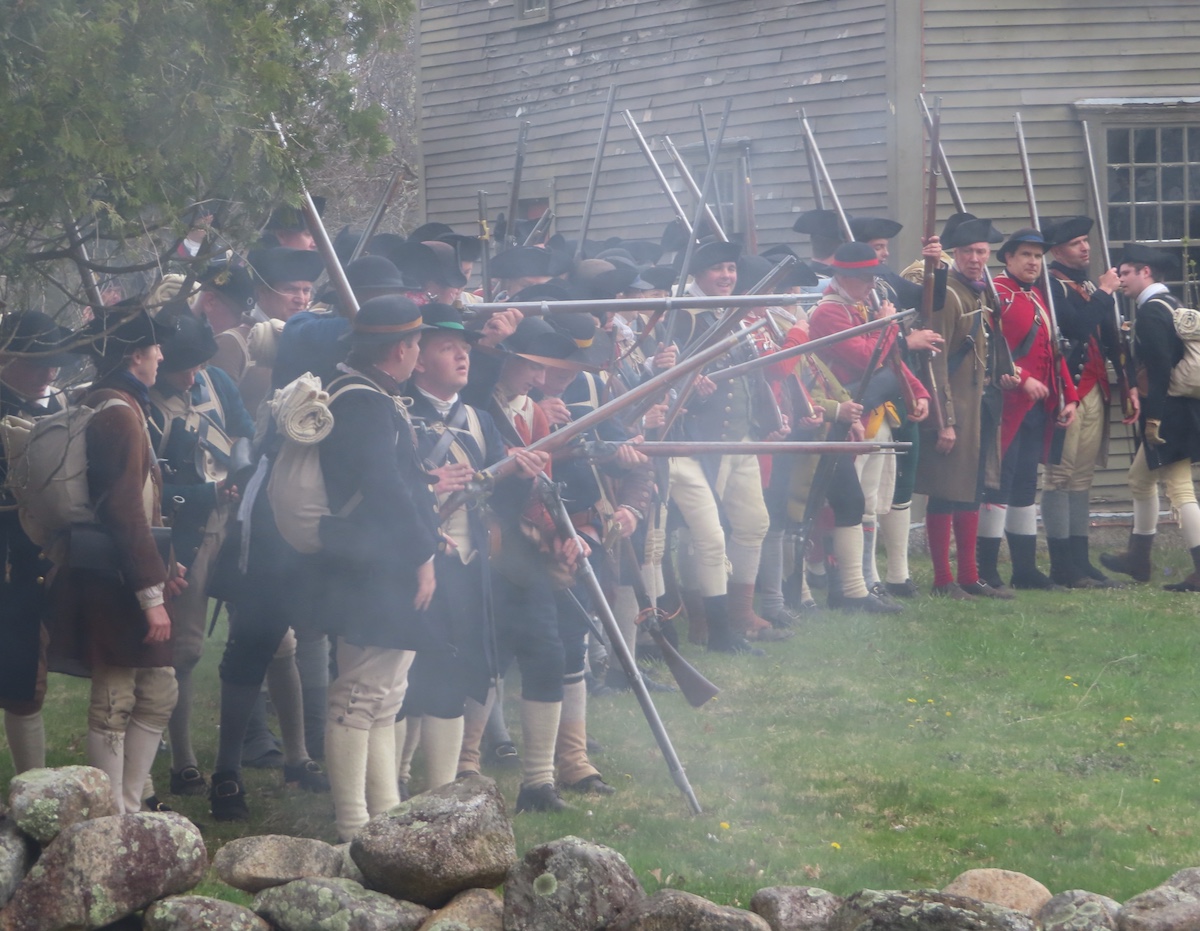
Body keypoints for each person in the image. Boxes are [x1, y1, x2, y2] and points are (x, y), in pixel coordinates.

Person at [315, 296, 443, 841]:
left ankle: (384, 816)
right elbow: (385, 487)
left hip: (376, 557)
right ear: (399, 348)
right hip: (372, 562)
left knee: (387, 693)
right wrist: (422, 555)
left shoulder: (366, 397)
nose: (419, 354)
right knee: (361, 693)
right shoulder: (364, 404)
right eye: (417, 344)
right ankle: (353, 823)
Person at [47, 302, 182, 814]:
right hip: (112, 576)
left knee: (157, 691)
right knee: (114, 699)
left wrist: (165, 568)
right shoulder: (119, 413)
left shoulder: (118, 403)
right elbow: (124, 507)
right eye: (154, 348)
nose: (161, 355)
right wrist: (151, 593)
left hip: (126, 569)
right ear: (134, 354)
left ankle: (128, 803)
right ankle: (112, 814)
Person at [147, 309, 257, 797]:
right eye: (184, 368)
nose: (194, 378)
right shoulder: (143, 405)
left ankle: (295, 755)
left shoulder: (213, 378)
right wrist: (206, 496)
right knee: (186, 649)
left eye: (198, 366)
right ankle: (184, 761)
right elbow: (147, 486)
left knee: (271, 636)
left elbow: (243, 429)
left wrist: (240, 472)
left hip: (232, 523)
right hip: (184, 530)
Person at [659, 240, 778, 652]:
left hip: (740, 437)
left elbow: (750, 375)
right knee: (701, 535)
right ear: (698, 274)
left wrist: (768, 420)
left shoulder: (732, 311)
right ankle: (701, 622)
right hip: (700, 440)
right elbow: (662, 380)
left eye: (731, 268)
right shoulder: (684, 316)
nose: (727, 276)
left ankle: (739, 613)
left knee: (753, 524)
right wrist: (694, 389)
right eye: (718, 270)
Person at [807, 241, 930, 611]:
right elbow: (866, 358)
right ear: (844, 277)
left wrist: (918, 392)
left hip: (874, 412)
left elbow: (889, 361)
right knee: (849, 504)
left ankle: (866, 582)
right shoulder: (829, 312)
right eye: (864, 279)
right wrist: (889, 324)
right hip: (848, 412)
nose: (871, 286)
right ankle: (847, 585)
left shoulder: (860, 307)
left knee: (869, 503)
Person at [901, 214, 1014, 599]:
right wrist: (944, 420)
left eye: (982, 251)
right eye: (968, 251)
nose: (976, 258)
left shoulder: (978, 291)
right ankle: (942, 579)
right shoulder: (946, 294)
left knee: (971, 490)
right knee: (946, 491)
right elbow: (934, 360)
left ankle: (969, 575)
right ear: (955, 253)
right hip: (953, 409)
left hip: (977, 404)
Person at [980, 229, 1078, 591]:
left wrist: (1067, 396)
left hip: (1038, 407)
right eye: (1025, 255)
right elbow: (989, 348)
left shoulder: (1036, 295)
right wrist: (1020, 378)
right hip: (1007, 405)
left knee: (1024, 487)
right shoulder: (996, 295)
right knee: (998, 486)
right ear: (1008, 258)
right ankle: (987, 570)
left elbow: (1052, 353)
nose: (1033, 262)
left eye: (1037, 256)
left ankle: (1024, 570)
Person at [0, 311, 75, 773]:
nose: (49, 373)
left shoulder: (56, 408)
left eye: (55, 363)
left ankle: (34, 791)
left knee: (25, 680)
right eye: (38, 363)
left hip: (32, 560)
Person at [1102, 243, 1200, 590]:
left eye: (1126, 272)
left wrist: (1154, 418)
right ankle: (1138, 557)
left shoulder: (1151, 312)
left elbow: (1159, 370)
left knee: (1179, 489)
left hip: (1168, 412)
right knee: (1139, 479)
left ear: (1146, 272)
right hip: (1180, 409)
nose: (1121, 279)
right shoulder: (1170, 305)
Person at [1041, 216, 1132, 588]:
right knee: (1059, 477)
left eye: (1085, 241)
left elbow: (1109, 337)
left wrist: (1129, 385)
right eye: (1077, 242)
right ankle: (1062, 564)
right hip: (1068, 390)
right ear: (1057, 250)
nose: (1085, 247)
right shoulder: (1051, 285)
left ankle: (1080, 562)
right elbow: (1076, 327)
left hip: (1095, 388)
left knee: (1082, 478)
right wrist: (1104, 293)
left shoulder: (1089, 285)